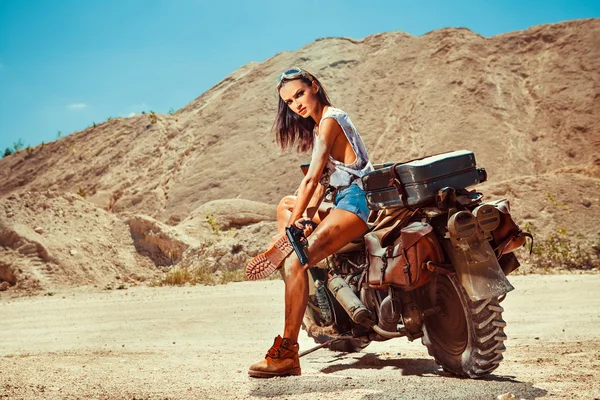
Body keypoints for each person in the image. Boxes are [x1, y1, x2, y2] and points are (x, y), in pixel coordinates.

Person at [246, 67, 374, 378]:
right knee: (286, 206)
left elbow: (313, 177)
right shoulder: (319, 127)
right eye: (289, 102)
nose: (296, 105)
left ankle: (288, 352)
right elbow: (321, 185)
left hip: (357, 201)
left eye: (299, 94)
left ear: (314, 86)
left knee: (294, 264)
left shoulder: (330, 120)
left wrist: (293, 230)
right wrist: (301, 216)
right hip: (341, 198)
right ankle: (307, 264)